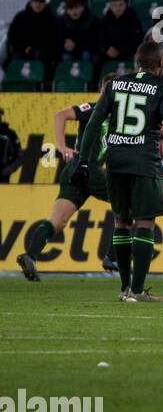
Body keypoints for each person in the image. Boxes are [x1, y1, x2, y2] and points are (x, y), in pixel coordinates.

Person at [71, 41, 163, 302]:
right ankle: (137, 289)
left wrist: (84, 162)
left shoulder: (114, 84)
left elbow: (93, 124)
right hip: (145, 162)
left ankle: (125, 289)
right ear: (160, 63)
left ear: (137, 62)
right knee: (145, 223)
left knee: (121, 221)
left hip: (116, 162)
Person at [17, 76, 116, 282]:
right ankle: (113, 256)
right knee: (129, 201)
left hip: (75, 171)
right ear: (101, 90)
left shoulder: (116, 116)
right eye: (107, 89)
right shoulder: (94, 108)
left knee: (58, 222)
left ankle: (30, 254)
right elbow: (61, 115)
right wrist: (61, 146)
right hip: (88, 167)